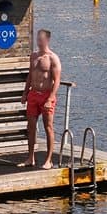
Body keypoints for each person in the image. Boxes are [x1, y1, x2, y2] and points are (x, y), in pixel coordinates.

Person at [25, 29, 63, 168]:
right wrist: (25, 93)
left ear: (47, 40)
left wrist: (50, 98)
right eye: (37, 38)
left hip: (47, 95)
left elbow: (57, 80)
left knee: (48, 127)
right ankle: (30, 157)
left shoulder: (53, 58)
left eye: (41, 39)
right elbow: (30, 75)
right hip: (33, 94)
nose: (38, 41)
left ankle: (49, 160)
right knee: (31, 127)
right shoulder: (34, 56)